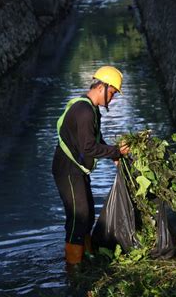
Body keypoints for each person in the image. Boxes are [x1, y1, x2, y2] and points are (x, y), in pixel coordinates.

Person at [52, 66, 129, 265]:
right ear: (101, 87)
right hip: (67, 171)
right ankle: (73, 271)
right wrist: (115, 151)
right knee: (79, 217)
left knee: (88, 214)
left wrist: (112, 153)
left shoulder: (91, 109)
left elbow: (96, 139)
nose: (112, 98)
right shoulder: (84, 111)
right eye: (112, 93)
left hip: (76, 170)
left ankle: (86, 257)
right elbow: (88, 148)